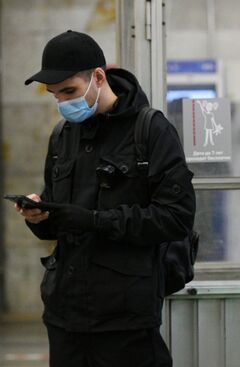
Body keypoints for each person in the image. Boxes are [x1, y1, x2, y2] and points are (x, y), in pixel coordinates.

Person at [15, 30, 195, 367]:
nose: (63, 103)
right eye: (55, 96)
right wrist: (40, 217)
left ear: (98, 77)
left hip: (125, 319)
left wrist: (94, 221)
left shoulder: (151, 130)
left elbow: (176, 217)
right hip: (64, 315)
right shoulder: (62, 136)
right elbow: (59, 217)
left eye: (69, 91)